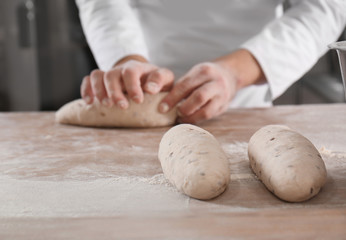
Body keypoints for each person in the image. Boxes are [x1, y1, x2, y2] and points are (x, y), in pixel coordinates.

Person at [75, 0, 346, 123]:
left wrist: (235, 73)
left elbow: (325, 6)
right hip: (141, 91)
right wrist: (126, 57)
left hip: (243, 101)